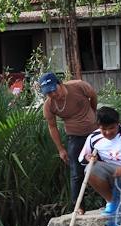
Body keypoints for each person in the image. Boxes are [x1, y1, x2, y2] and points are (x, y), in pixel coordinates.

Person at [40, 72, 97, 214]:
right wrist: (60, 149)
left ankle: (113, 200)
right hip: (75, 136)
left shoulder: (78, 86)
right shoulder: (49, 105)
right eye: (49, 93)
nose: (53, 94)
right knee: (76, 172)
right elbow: (52, 126)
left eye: (54, 89)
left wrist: (93, 112)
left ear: (60, 84)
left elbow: (93, 96)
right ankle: (78, 207)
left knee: (105, 164)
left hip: (95, 133)